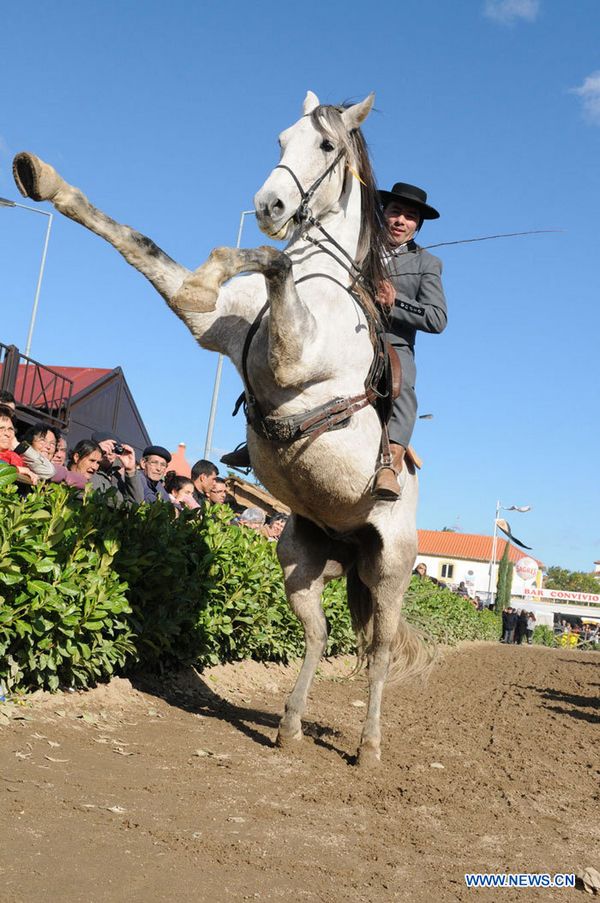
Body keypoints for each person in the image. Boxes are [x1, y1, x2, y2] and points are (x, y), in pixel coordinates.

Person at [372, 182, 448, 500]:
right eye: (395, 212)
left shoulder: (426, 264)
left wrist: (396, 302)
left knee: (402, 385)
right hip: (343, 331)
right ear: (383, 214)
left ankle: (390, 463)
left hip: (391, 345)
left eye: (410, 216)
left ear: (417, 226)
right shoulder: (359, 247)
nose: (401, 220)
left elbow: (437, 318)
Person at [90, 430, 144, 507]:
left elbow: (137, 503)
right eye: (106, 449)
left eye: (114, 449)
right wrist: (95, 452)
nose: (110, 453)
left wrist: (131, 470)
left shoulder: (119, 476)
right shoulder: (89, 470)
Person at [0, 406, 38, 483]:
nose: (7, 433)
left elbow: (49, 471)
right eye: (1, 428)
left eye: (10, 429)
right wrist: (16, 469)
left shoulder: (17, 457)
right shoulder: (18, 467)